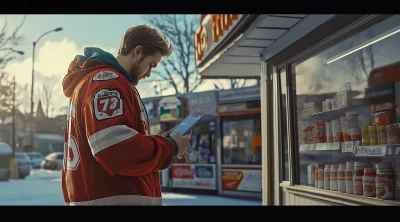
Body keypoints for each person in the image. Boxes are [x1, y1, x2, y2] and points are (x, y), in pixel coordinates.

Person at [61, 24, 191, 206]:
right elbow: (115, 148)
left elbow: (114, 141)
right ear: (138, 52)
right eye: (151, 65)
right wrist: (170, 147)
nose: (149, 73)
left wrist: (159, 142)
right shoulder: (107, 82)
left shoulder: (102, 82)